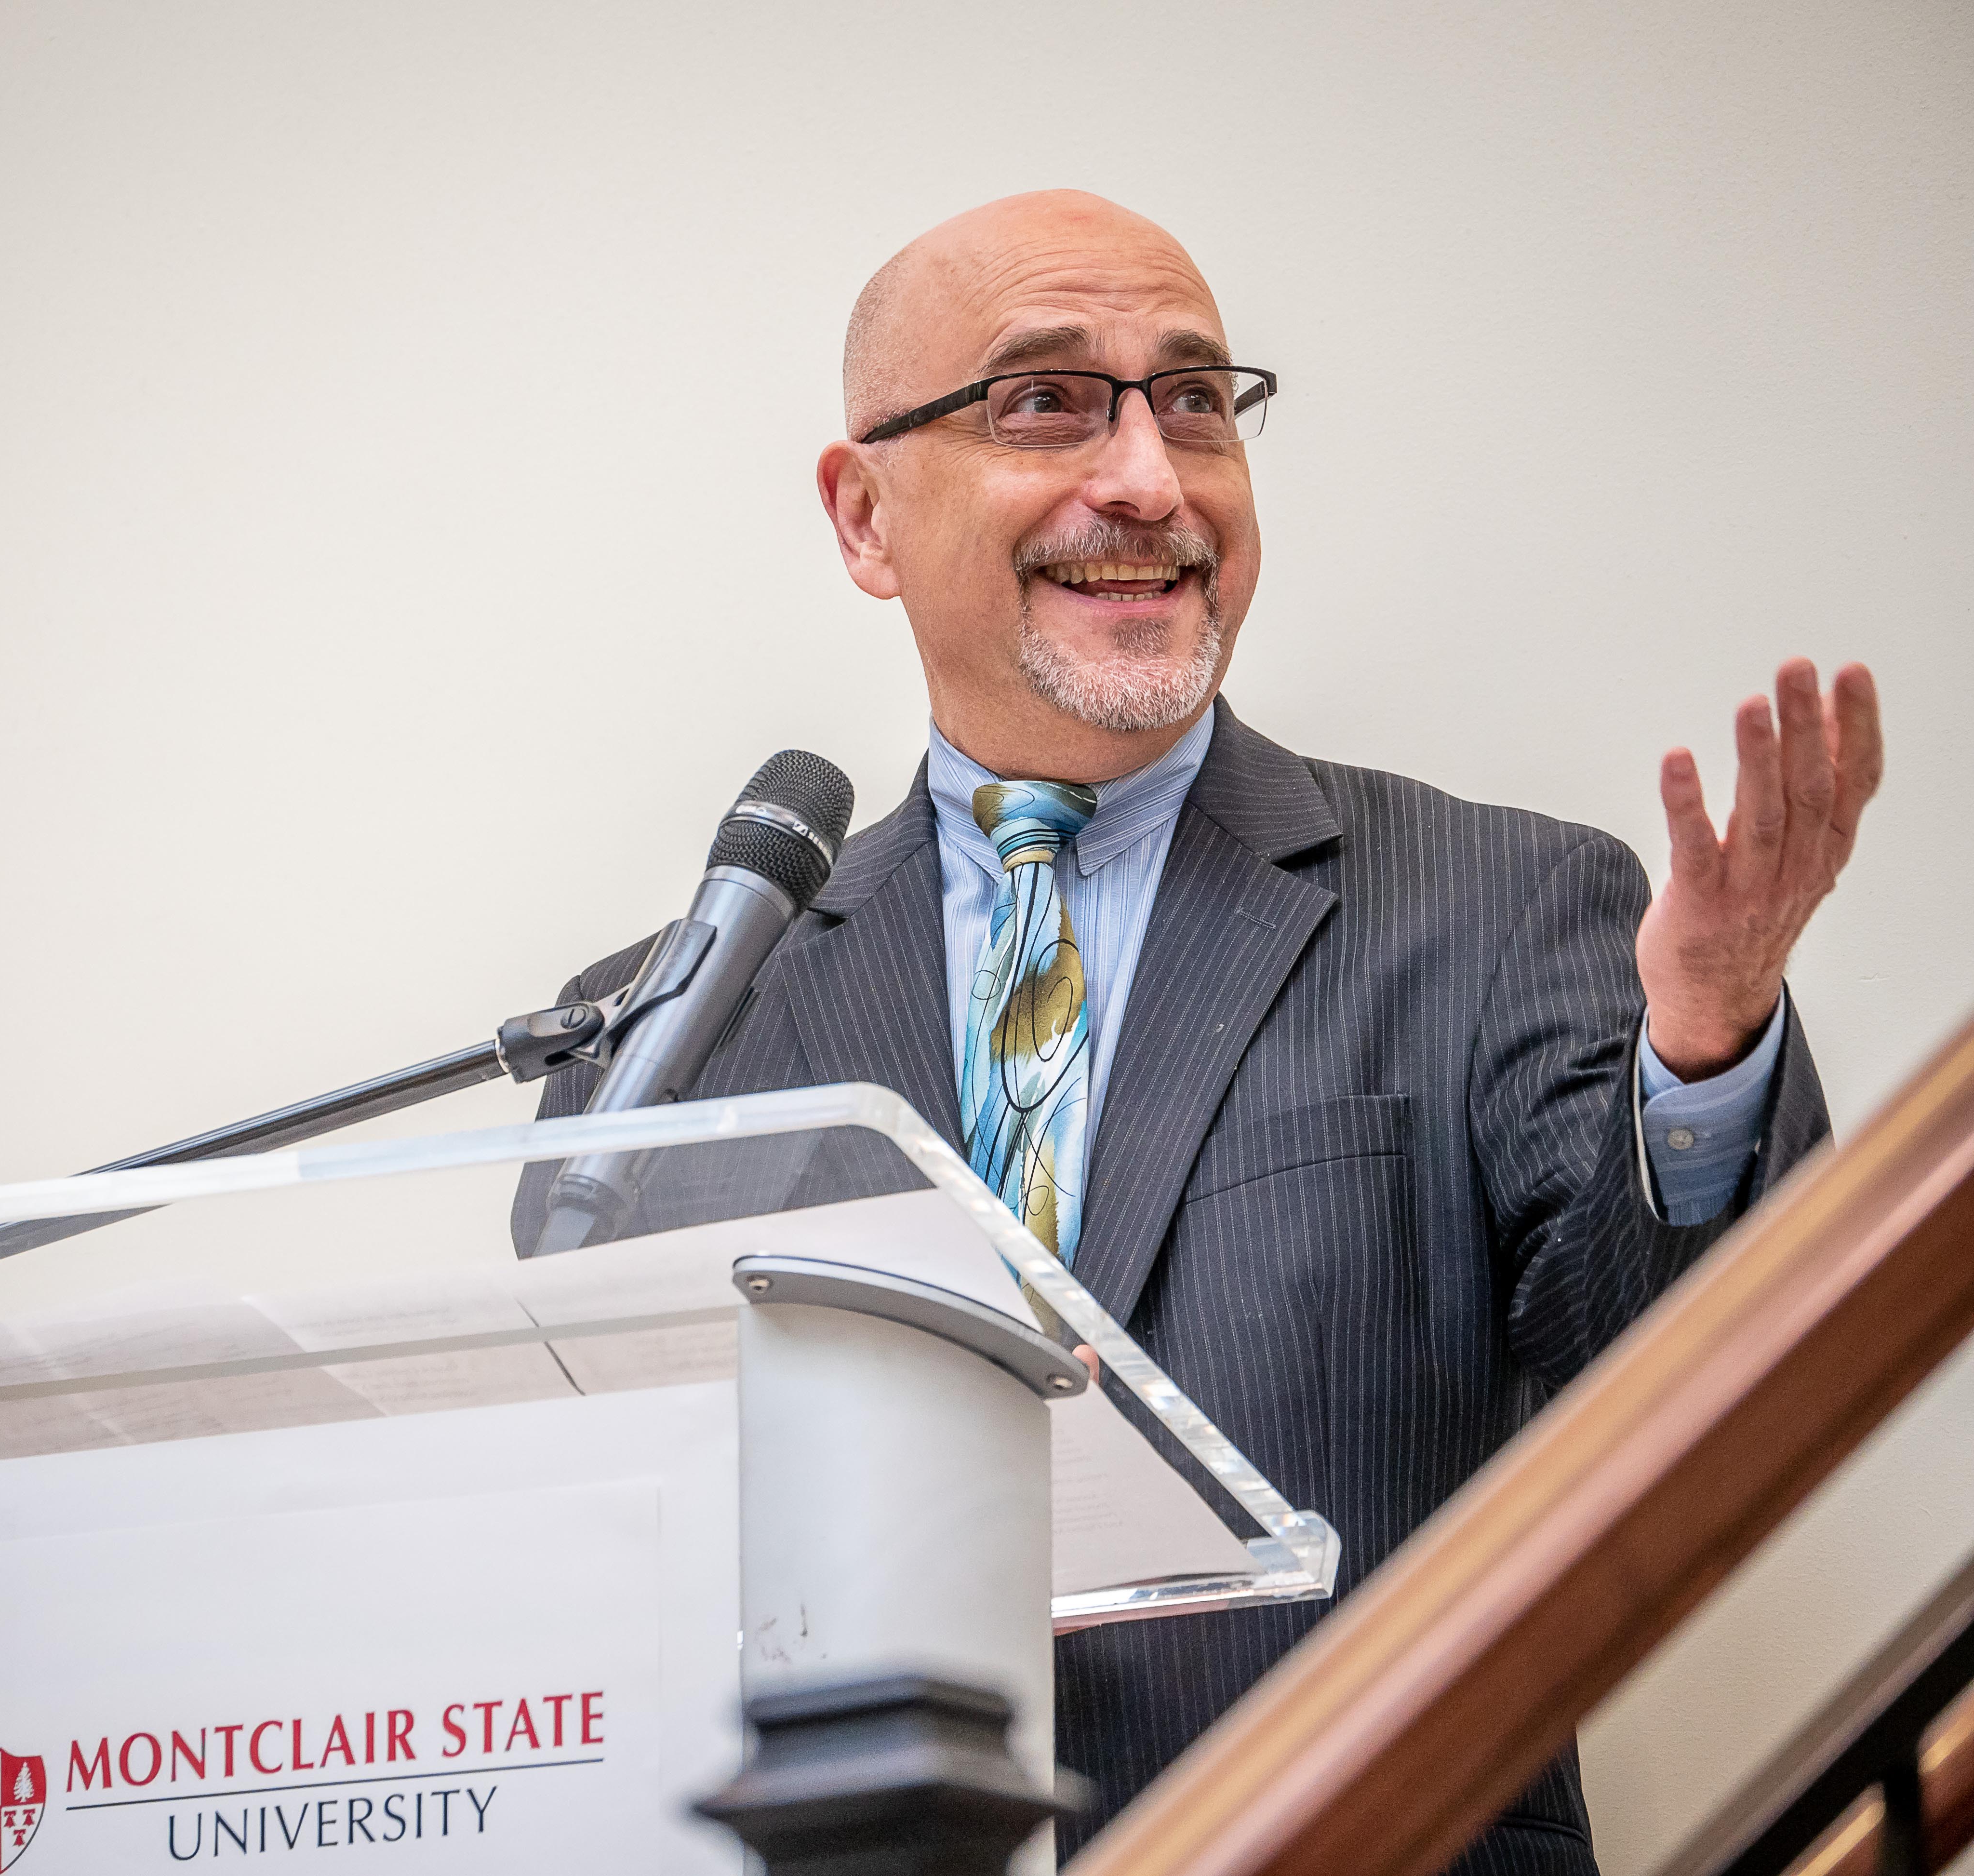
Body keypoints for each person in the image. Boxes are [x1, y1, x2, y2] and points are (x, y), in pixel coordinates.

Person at [528, 190, 1882, 1871]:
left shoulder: (1497, 906)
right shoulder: (674, 1036)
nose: (1150, 481)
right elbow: (610, 1568)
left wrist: (1708, 1049)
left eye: (1192, 403)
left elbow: (1697, 1391)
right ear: (865, 515)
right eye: (1048, 403)